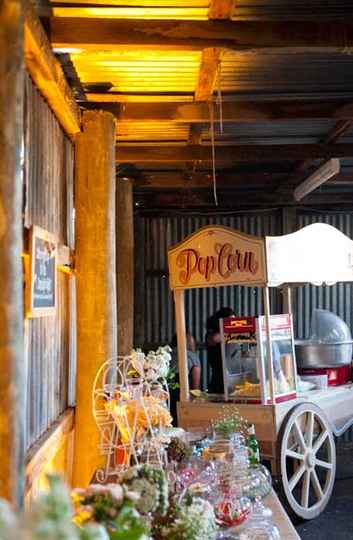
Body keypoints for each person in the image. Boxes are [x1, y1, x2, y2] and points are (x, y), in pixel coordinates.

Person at [170, 332, 201, 424]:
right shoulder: (193, 357)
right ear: (191, 343)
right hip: (181, 391)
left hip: (165, 391)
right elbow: (195, 387)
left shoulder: (168, 353)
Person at [205, 306, 234, 394]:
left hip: (231, 376)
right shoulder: (212, 334)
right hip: (218, 379)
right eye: (230, 321)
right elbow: (214, 339)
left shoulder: (229, 334)